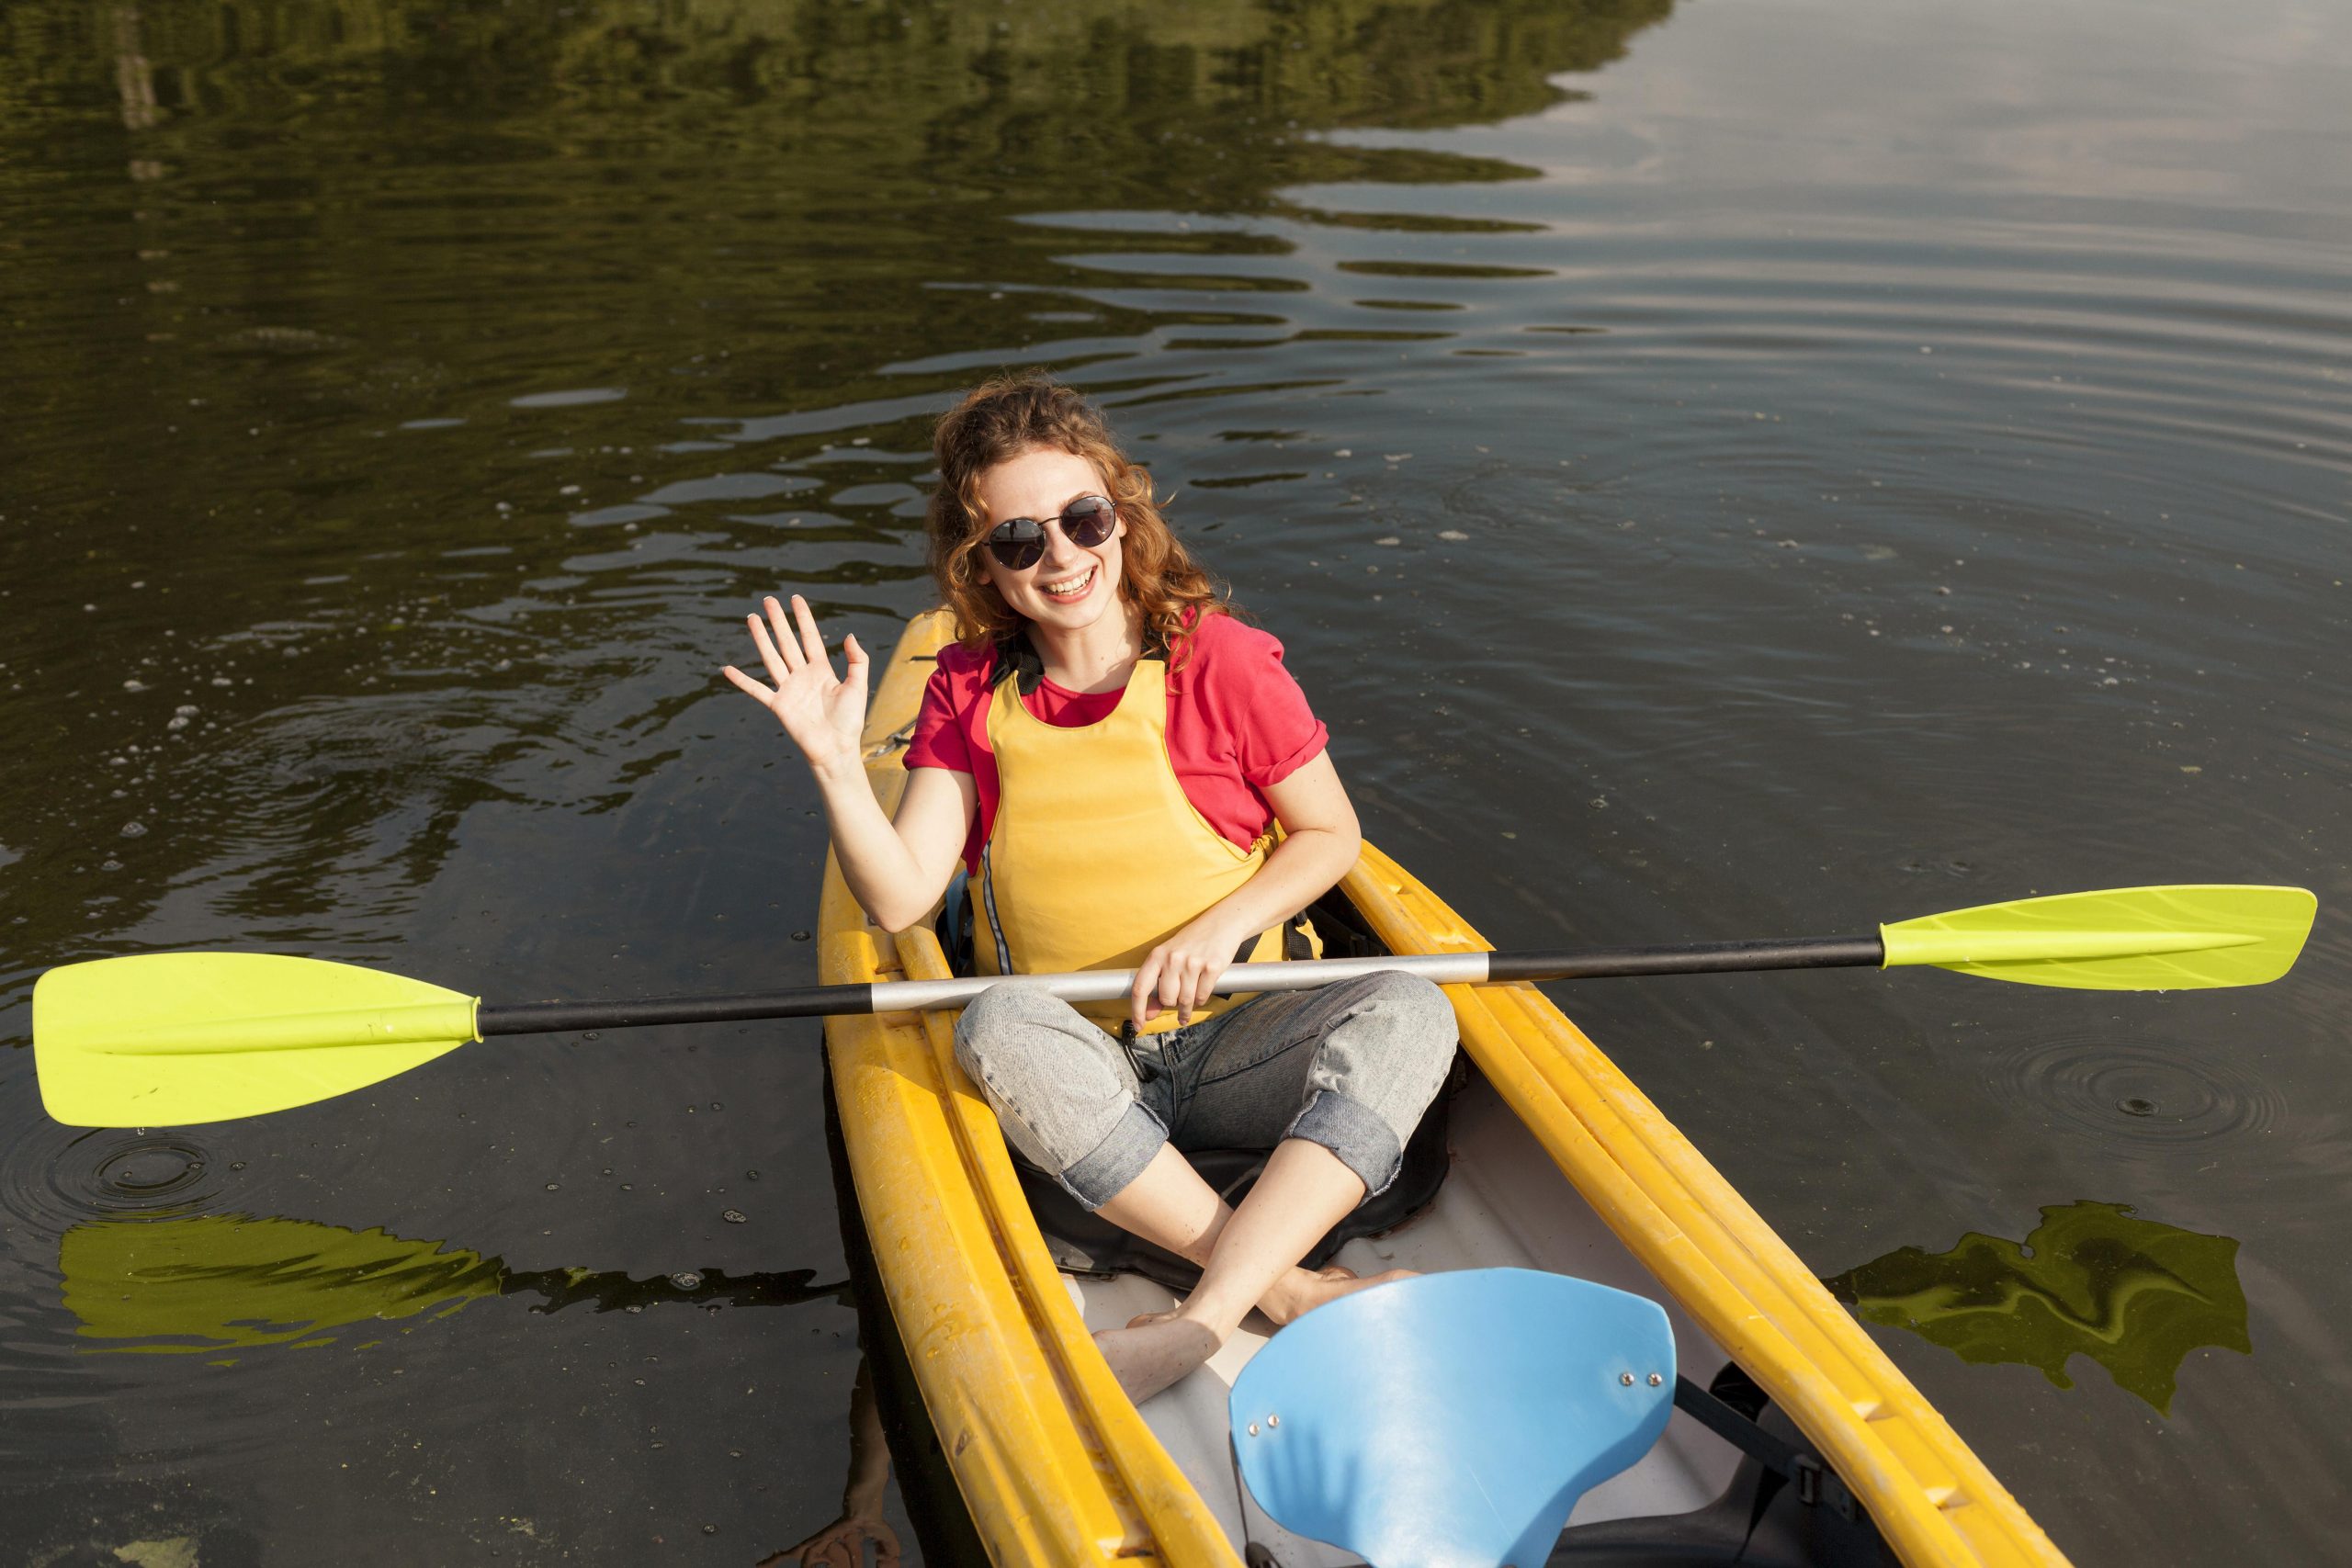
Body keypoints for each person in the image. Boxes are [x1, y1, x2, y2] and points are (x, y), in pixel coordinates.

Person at [721, 375, 1457, 1403]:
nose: (1061, 557)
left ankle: (1203, 1320)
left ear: (1121, 514)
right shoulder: (966, 690)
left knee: (1413, 1010)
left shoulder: (1219, 662)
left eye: (1082, 519)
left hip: (1243, 1039)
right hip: (1084, 1062)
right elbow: (898, 900)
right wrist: (838, 767)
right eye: (1019, 539)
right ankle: (1284, 1288)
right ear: (980, 562)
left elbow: (1331, 835)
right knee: (996, 1023)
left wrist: (1221, 928)